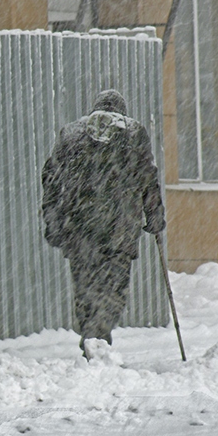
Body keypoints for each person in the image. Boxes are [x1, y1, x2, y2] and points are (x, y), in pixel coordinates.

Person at [41, 89, 165, 359]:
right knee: (113, 287)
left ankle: (90, 335)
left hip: (80, 229)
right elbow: (148, 178)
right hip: (120, 229)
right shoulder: (133, 134)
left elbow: (51, 178)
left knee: (85, 285)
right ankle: (100, 335)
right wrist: (154, 216)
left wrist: (52, 220)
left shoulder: (71, 135)